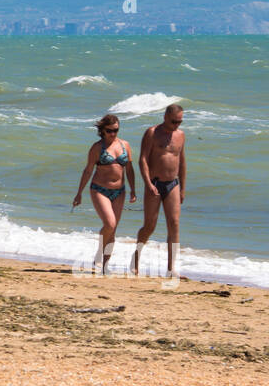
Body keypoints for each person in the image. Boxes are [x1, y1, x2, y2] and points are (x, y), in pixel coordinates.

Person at [72, 113, 136, 274]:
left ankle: (104, 266)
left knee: (113, 230)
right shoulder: (97, 148)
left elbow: (129, 169)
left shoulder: (124, 145)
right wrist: (79, 193)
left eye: (116, 130)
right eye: (109, 131)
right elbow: (88, 171)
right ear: (102, 130)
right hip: (99, 189)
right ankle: (99, 254)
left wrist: (133, 190)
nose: (113, 134)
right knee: (110, 224)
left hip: (120, 191)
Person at [134, 103, 187, 278]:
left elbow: (182, 162)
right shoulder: (152, 133)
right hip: (154, 183)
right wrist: (148, 183)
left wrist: (182, 188)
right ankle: (136, 259)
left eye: (179, 122)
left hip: (173, 184)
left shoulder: (180, 135)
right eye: (173, 121)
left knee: (175, 224)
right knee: (150, 226)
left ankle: (171, 269)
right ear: (165, 117)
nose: (176, 125)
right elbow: (142, 159)